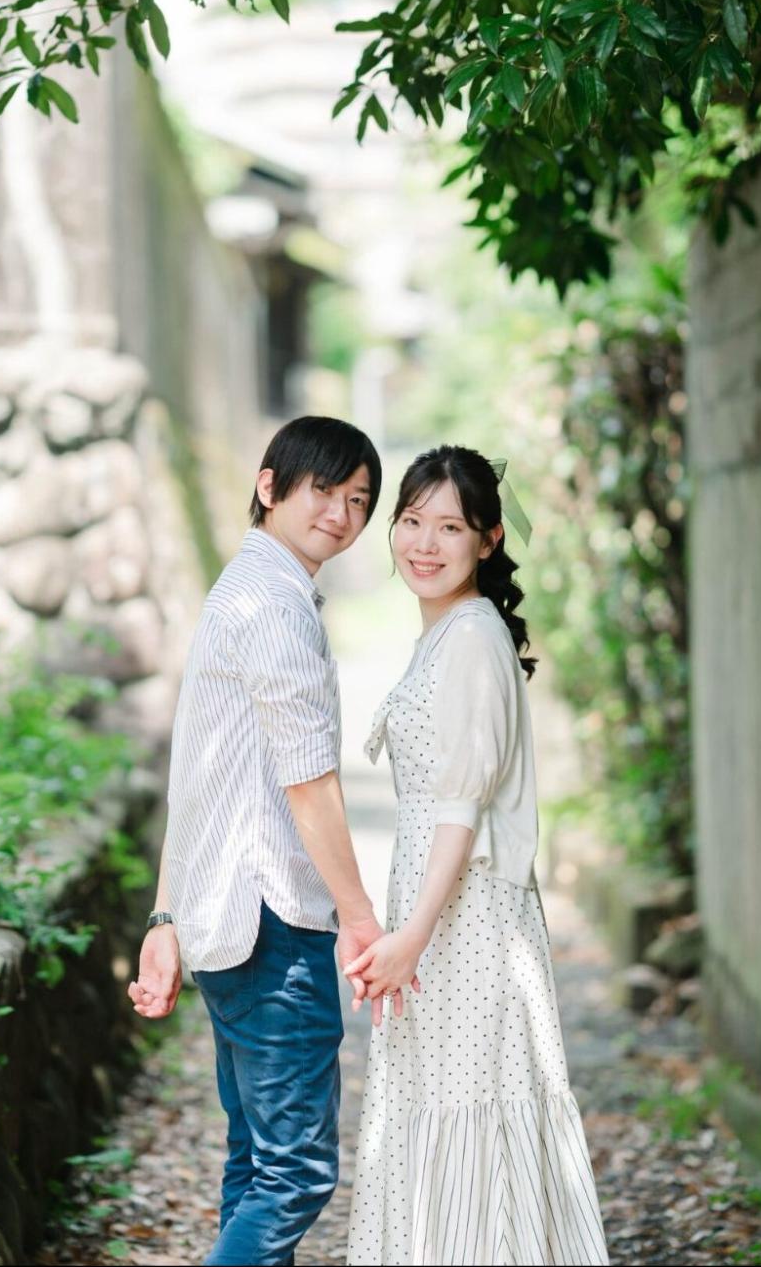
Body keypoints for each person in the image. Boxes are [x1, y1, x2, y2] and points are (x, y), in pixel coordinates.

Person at [126, 415, 415, 1267]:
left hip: (228, 920)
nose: (340, 514)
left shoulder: (239, 589)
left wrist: (164, 917)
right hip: (271, 924)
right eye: (323, 490)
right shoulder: (274, 607)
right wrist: (358, 918)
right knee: (296, 1175)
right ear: (269, 485)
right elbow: (307, 781)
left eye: (358, 500)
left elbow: (199, 776)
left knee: (255, 1162)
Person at [342, 446, 609, 1266]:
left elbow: (460, 808)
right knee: (447, 1108)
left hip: (466, 920)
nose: (424, 544)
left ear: (488, 539)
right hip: (443, 910)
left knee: (472, 1114)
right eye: (410, 521)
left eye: (450, 527)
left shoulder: (471, 638)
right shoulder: (448, 633)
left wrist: (412, 937)